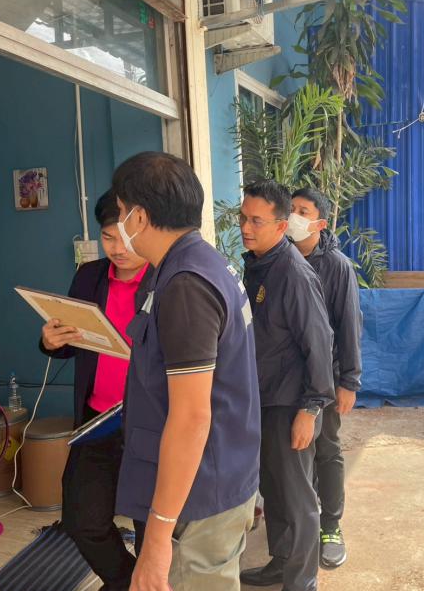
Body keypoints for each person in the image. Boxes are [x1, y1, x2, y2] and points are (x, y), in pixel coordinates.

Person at [112, 152, 260, 591]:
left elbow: (192, 418)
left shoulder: (185, 285)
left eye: (120, 212)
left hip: (197, 503)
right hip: (215, 478)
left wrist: (158, 537)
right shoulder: (199, 264)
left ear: (139, 217)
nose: (119, 224)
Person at [40, 189, 152, 591]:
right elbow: (73, 341)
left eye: (125, 238)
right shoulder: (89, 276)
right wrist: (52, 342)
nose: (118, 249)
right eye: (108, 238)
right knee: (81, 520)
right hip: (98, 420)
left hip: (150, 424)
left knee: (152, 529)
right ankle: (125, 582)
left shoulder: (166, 279)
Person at [239, 180, 335, 591]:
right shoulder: (257, 264)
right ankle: (281, 563)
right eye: (243, 218)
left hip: (289, 402)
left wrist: (311, 409)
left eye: (257, 221)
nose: (246, 227)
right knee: (273, 490)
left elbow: (320, 342)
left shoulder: (293, 273)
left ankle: (302, 581)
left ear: (281, 226)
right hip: (261, 398)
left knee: (297, 499)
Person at [288, 187, 362, 569]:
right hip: (285, 378)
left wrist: (348, 381)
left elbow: (349, 325)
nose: (293, 216)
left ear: (318, 223)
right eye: (291, 209)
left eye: (302, 211)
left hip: (326, 379)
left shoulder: (336, 265)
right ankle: (298, 522)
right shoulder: (278, 257)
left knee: (326, 448)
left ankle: (331, 525)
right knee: (291, 451)